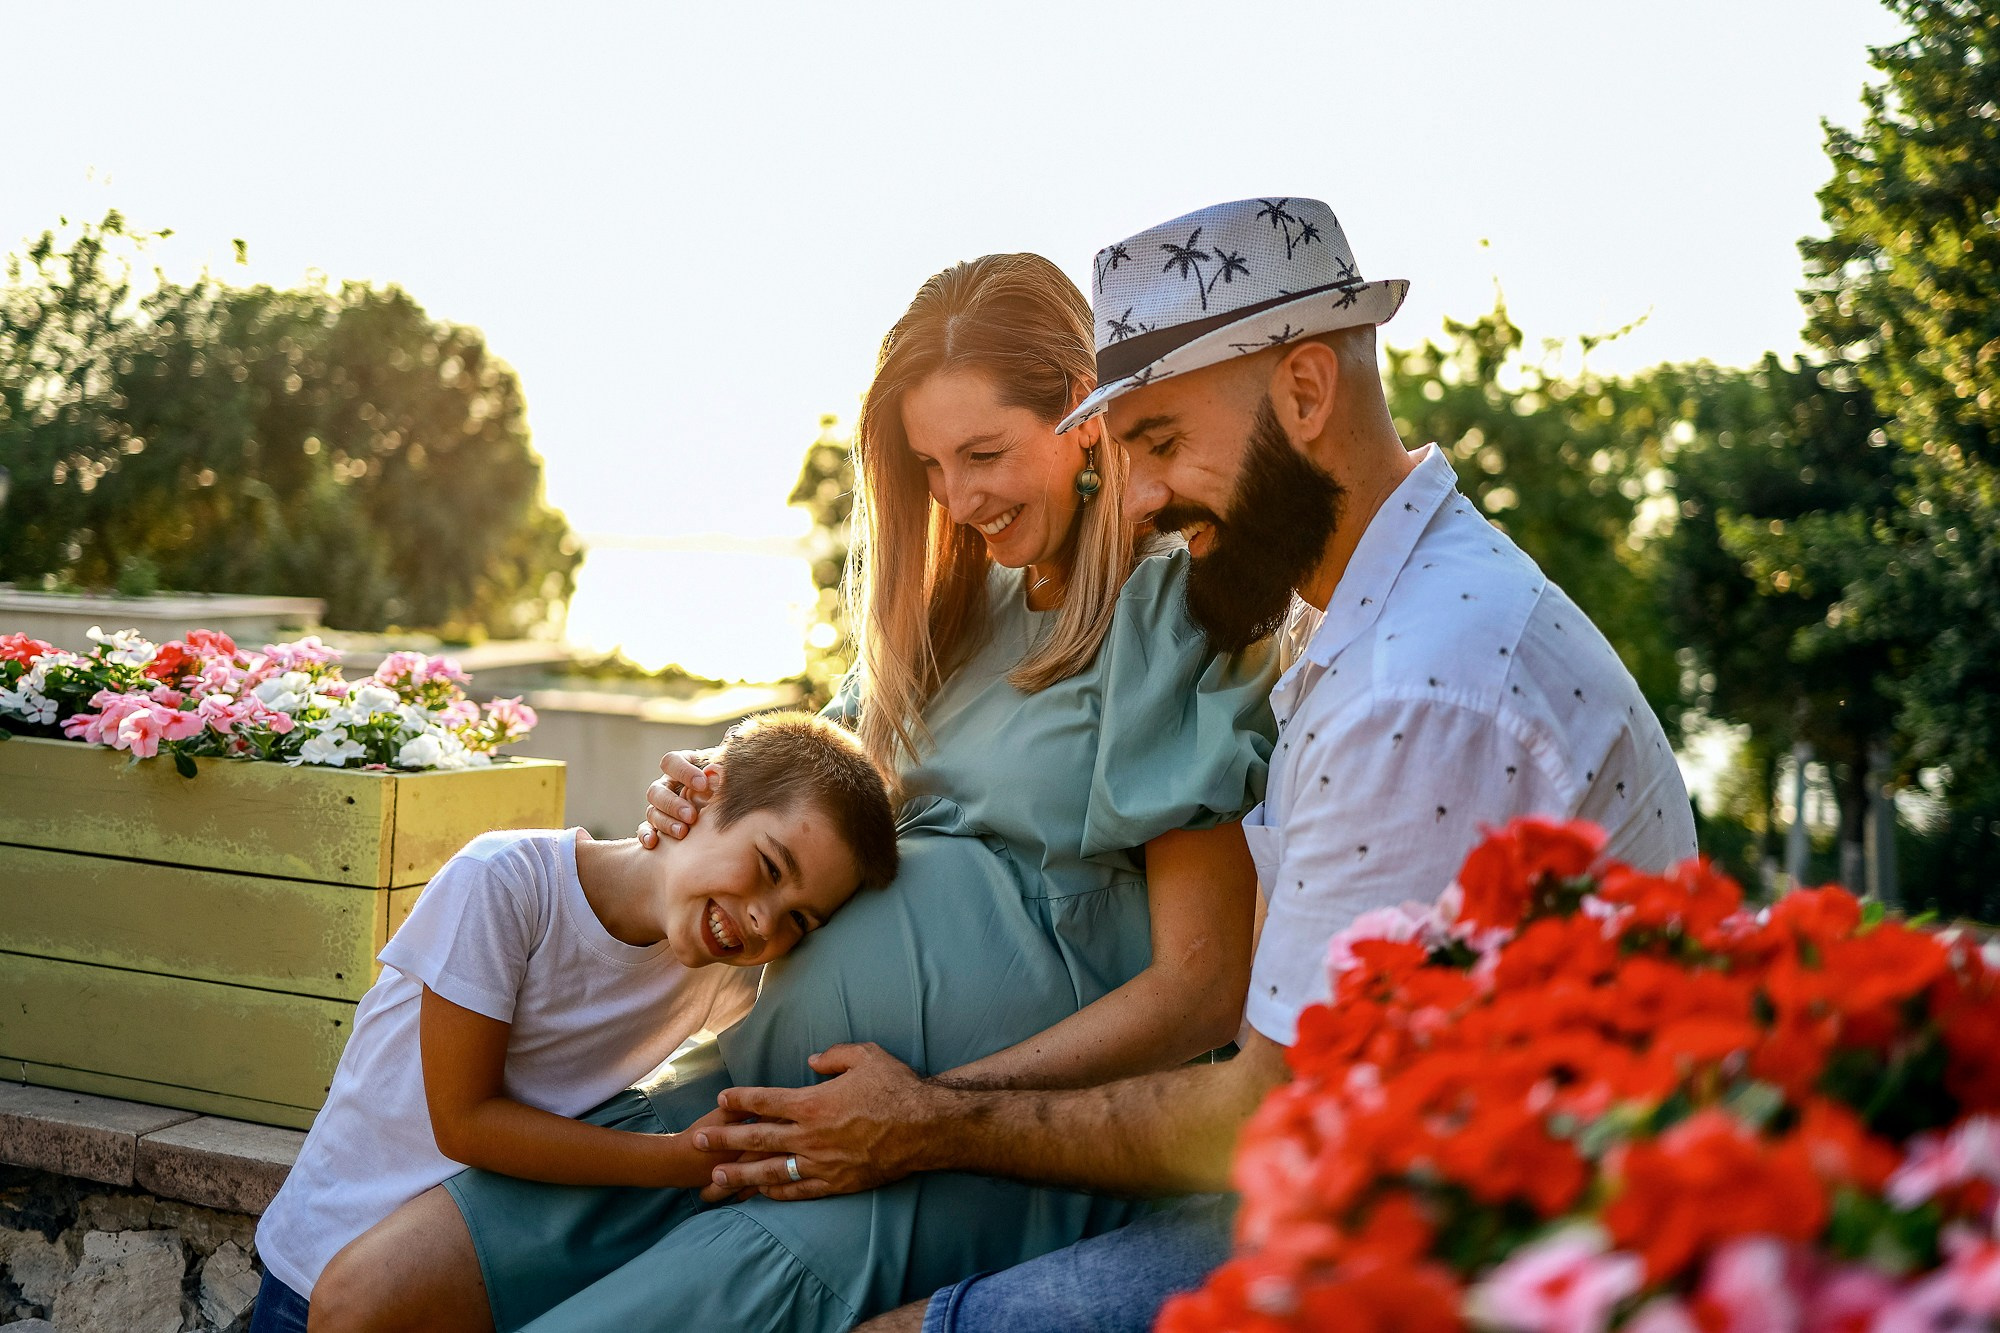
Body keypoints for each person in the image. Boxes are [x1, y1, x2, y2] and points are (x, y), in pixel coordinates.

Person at [692, 197, 1702, 1333]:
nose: (1138, 497)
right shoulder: (1370, 612)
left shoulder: (1414, 686)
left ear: (1305, 393)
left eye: (1163, 443)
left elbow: (1262, 1111)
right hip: (1393, 1176)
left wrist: (927, 1120)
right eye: (1123, 451)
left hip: (1470, 1237)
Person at [307, 252, 1278, 1333]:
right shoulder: (949, 612)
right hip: (761, 1087)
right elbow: (809, 784)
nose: (958, 500)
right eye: (930, 465)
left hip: (967, 1145)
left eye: (984, 453)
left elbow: (1200, 987)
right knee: (372, 1296)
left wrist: (932, 1112)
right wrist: (703, 796)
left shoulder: (1163, 608)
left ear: (1082, 417)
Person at [246, 713, 898, 1333]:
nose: (765, 920)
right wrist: (673, 1160)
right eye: (771, 867)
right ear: (703, 793)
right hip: (320, 1268)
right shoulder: (505, 883)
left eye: (799, 919)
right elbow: (465, 1122)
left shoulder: (720, 969)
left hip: (466, 1275)